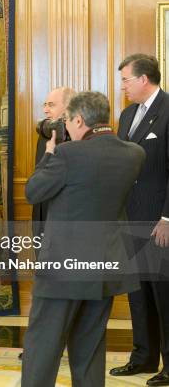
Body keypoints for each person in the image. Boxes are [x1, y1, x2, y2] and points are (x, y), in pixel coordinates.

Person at [22, 91, 145, 386]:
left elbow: (33, 192)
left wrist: (50, 151)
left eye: (67, 121)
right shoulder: (134, 153)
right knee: (89, 349)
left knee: (43, 347)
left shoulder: (67, 154)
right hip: (104, 267)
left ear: (78, 120)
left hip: (63, 269)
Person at [110, 53, 169, 386]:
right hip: (130, 219)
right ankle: (143, 357)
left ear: (144, 79)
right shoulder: (127, 114)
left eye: (125, 80)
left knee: (163, 294)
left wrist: (168, 218)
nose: (123, 87)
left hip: (160, 221)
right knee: (138, 292)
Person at [32, 87, 76, 238]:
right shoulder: (46, 133)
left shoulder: (80, 136)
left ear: (68, 108)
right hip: (42, 211)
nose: (45, 110)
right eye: (44, 105)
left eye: (51, 105)